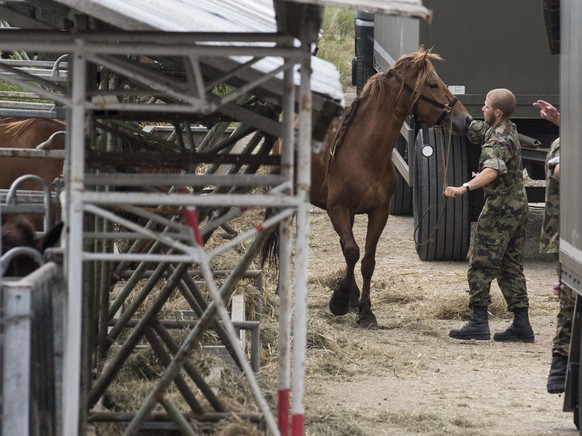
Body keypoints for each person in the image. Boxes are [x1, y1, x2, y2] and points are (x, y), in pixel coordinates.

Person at [444, 88, 534, 342]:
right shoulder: (506, 128)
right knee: (511, 266)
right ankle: (522, 324)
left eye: (485, 106)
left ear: (497, 112)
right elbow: (476, 130)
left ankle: (478, 321)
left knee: (481, 264)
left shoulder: (497, 141)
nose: (482, 108)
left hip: (499, 211)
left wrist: (464, 188)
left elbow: (491, 171)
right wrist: (451, 112)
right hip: (518, 207)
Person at [533, 99, 576, 394]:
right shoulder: (567, 142)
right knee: (572, 301)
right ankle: (560, 363)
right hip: (574, 235)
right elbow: (560, 171)